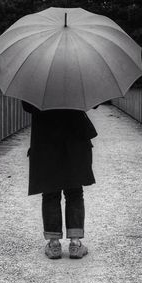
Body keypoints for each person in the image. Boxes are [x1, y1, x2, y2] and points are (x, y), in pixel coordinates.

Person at [22, 101, 98, 260]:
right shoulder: (78, 77)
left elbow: (27, 106)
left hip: (45, 139)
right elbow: (92, 103)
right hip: (75, 139)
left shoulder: (38, 79)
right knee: (75, 192)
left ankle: (54, 244)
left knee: (50, 191)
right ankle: (75, 244)